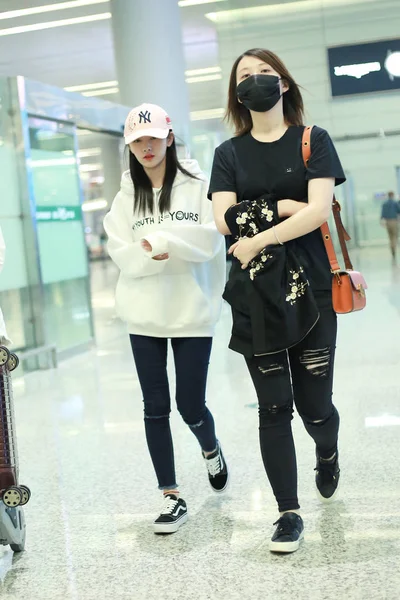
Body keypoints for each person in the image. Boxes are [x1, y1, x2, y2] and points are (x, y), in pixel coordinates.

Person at [209, 48, 346, 553]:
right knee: (273, 407)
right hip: (254, 295)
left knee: (314, 408)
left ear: (284, 84)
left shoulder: (314, 142)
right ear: (236, 92)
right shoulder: (229, 153)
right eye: (245, 76)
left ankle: (327, 451)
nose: (256, 82)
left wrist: (260, 231)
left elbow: (318, 215)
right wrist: (279, 207)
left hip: (311, 289)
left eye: (265, 73)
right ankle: (287, 513)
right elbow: (223, 219)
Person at [104, 103, 228, 535]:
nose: (146, 146)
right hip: (143, 313)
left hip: (191, 310)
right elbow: (121, 250)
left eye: (153, 137)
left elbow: (210, 239)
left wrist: (159, 240)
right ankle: (171, 497)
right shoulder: (125, 197)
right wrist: (150, 252)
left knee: (190, 405)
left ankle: (210, 447)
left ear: (170, 137)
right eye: (137, 140)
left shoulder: (198, 186)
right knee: (155, 408)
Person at [380, 191, 400, 263]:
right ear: (393, 195)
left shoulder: (384, 204)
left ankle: (392, 248)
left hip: (387, 222)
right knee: (395, 236)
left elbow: (382, 214)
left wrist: (382, 221)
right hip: (394, 221)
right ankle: (394, 248)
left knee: (390, 236)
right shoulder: (395, 203)